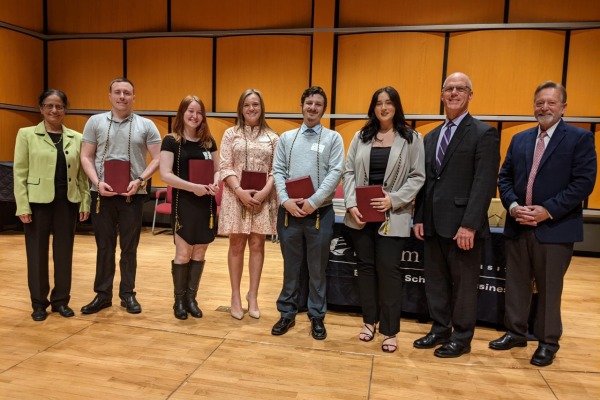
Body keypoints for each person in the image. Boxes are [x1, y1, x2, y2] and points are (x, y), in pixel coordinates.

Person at [489, 81, 597, 366]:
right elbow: (504, 178)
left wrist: (546, 210)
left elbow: (583, 183)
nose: (544, 107)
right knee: (516, 284)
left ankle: (548, 341)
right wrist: (513, 206)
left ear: (563, 106)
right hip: (518, 224)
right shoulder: (521, 139)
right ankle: (515, 332)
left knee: (549, 288)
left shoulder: (579, 139)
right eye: (539, 102)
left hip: (555, 228)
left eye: (551, 102)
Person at [412, 72, 500, 358]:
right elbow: (427, 182)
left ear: (470, 95)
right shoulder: (432, 136)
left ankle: (461, 338)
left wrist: (469, 225)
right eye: (448, 89)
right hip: (433, 224)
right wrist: (420, 218)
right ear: (441, 95)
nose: (453, 93)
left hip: (463, 227)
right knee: (435, 281)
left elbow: (484, 184)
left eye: (459, 89)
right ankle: (440, 329)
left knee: (463, 287)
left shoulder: (483, 133)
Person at [342, 87, 425, 352]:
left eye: (389, 103)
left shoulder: (412, 138)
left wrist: (394, 199)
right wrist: (352, 203)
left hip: (393, 214)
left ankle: (389, 330)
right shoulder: (361, 136)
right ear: (373, 107)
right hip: (362, 216)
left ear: (396, 106)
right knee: (366, 269)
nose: (384, 107)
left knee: (389, 272)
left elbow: (417, 176)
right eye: (378, 103)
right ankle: (369, 322)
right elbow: (348, 172)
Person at [80, 78, 161, 314]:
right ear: (110, 96)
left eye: (127, 93)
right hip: (101, 193)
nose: (122, 96)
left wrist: (140, 180)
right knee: (104, 247)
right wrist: (97, 182)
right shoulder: (94, 122)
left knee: (129, 248)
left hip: (132, 195)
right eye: (118, 92)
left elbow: (157, 158)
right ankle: (102, 295)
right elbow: (86, 156)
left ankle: (127, 295)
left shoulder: (146, 125)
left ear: (134, 97)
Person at [271, 86, 344, 340]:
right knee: (291, 268)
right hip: (289, 213)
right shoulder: (287, 138)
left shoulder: (333, 138)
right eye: (309, 103)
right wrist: (284, 200)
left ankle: (316, 316)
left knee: (317, 269)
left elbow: (336, 174)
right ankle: (287, 313)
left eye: (318, 104)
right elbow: (278, 170)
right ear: (301, 105)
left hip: (318, 214)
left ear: (324, 109)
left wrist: (313, 201)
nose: (312, 108)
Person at [13, 89, 91, 321]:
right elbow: (19, 173)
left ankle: (61, 301)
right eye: (49, 106)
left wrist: (85, 201)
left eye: (59, 106)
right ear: (41, 109)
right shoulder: (26, 134)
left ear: (65, 109)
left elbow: (81, 176)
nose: (54, 110)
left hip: (67, 203)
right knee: (36, 254)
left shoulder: (77, 138)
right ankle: (39, 303)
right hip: (37, 203)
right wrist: (22, 206)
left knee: (64, 254)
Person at [219, 89, 279, 320]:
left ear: (261, 107)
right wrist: (239, 190)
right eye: (246, 105)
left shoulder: (273, 138)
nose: (251, 109)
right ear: (240, 108)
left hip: (262, 199)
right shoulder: (229, 134)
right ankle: (234, 295)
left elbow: (277, 169)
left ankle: (252, 296)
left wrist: (264, 192)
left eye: (255, 104)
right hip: (236, 197)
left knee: (257, 245)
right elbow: (225, 165)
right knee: (236, 246)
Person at [160, 95, 219, 320]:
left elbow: (218, 168)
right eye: (190, 111)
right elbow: (166, 174)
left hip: (206, 203)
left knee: (200, 251)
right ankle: (179, 301)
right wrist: (192, 187)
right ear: (182, 113)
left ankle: (192, 299)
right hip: (184, 202)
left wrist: (215, 182)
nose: (194, 116)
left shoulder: (208, 141)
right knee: (183, 253)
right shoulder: (171, 141)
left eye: (198, 112)